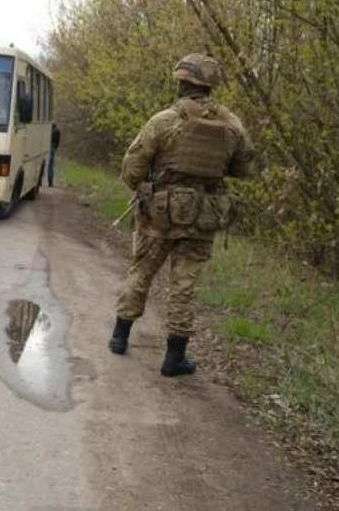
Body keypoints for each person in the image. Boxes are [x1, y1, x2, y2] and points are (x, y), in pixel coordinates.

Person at [108, 53, 256, 377]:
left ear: (181, 82)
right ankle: (174, 358)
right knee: (184, 286)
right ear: (210, 86)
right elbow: (245, 168)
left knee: (142, 272)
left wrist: (151, 187)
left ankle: (120, 337)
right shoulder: (232, 124)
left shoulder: (164, 120)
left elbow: (131, 170)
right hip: (203, 214)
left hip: (159, 214)